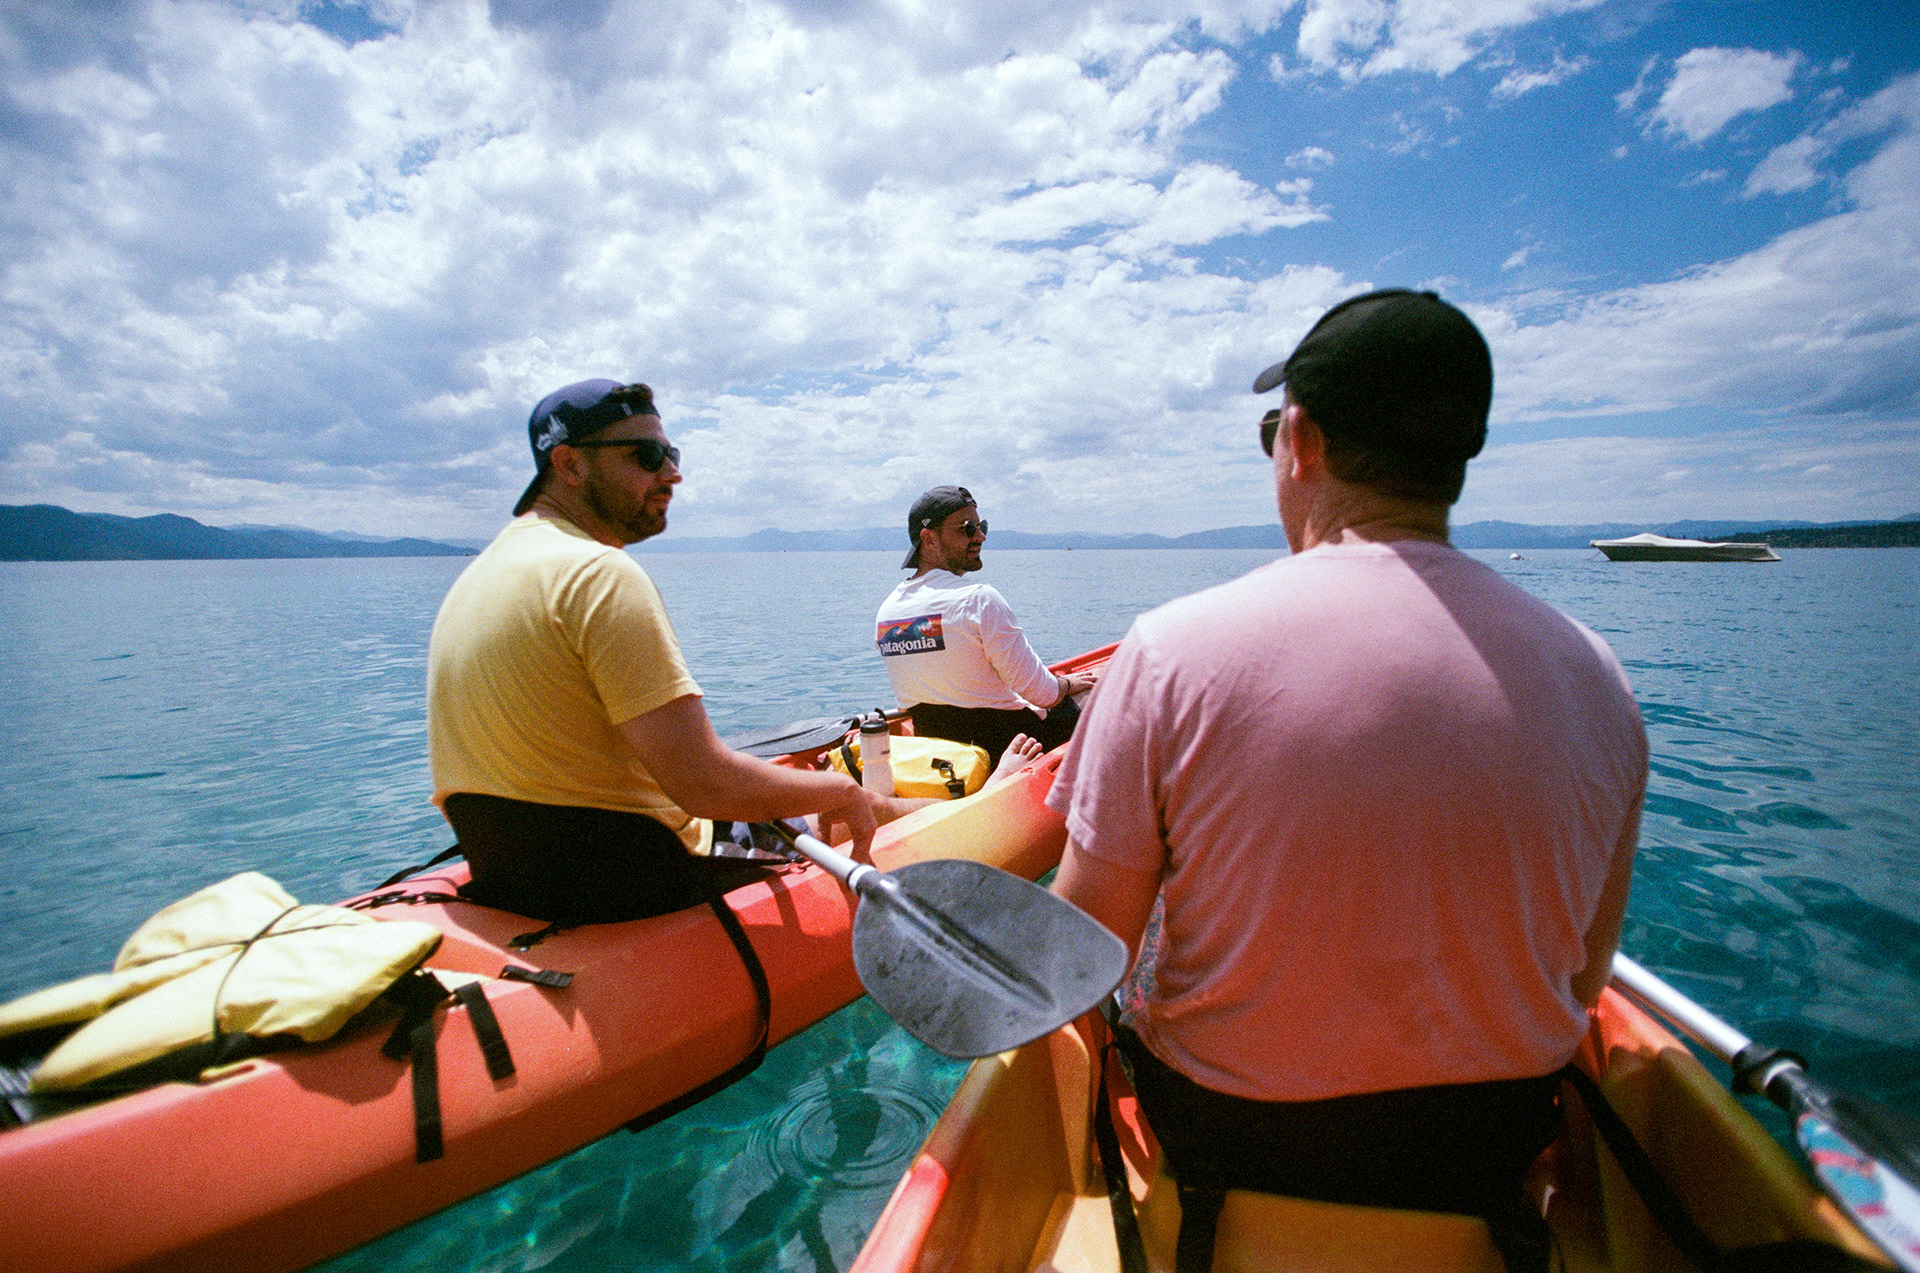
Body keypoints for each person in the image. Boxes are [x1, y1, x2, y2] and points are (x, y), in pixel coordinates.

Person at [1047, 291, 1647, 1273]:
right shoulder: (1599, 679)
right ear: (1460, 456)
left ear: (1301, 440)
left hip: (1227, 1163)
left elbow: (1081, 959)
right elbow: (1582, 981)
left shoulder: (1168, 654)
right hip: (1483, 1170)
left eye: (1270, 435)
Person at [426, 379, 888, 925]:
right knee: (858, 802)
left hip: (519, 882)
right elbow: (704, 785)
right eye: (646, 456)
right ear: (570, 465)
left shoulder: (477, 577)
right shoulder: (597, 574)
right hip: (637, 887)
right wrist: (841, 790)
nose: (672, 473)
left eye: (672, 455)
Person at [874, 486, 1096, 767]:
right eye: (967, 528)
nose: (980, 536)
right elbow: (1044, 694)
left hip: (944, 758)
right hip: (1014, 747)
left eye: (982, 526)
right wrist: (1067, 684)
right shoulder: (978, 600)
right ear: (929, 539)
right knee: (1103, 691)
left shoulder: (887, 612)